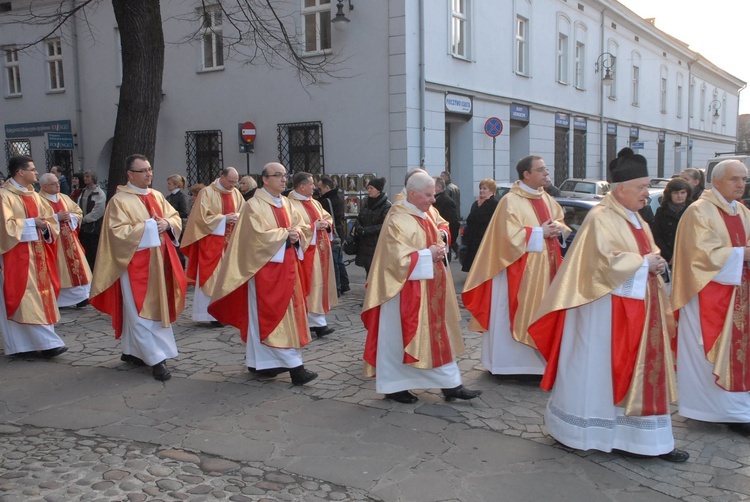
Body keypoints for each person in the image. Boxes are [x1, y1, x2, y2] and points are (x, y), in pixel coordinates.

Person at [527, 152, 688, 463]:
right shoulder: (600, 218)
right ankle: (588, 432)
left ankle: (648, 440)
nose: (646, 192)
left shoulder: (636, 218)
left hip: (640, 311)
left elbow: (643, 251)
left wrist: (651, 261)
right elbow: (599, 266)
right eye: (641, 187)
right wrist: (644, 264)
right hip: (601, 315)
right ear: (619, 189)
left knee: (642, 372)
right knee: (598, 372)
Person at [361, 171, 481, 403]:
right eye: (429, 195)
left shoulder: (426, 211)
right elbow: (395, 261)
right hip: (401, 293)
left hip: (431, 289)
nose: (433, 200)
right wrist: (428, 254)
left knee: (438, 335)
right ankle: (395, 386)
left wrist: (442, 241)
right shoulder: (397, 218)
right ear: (413, 194)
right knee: (398, 339)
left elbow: (441, 227)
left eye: (434, 194)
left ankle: (451, 384)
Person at [207, 162, 318, 386]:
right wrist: (284, 236)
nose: (283, 179)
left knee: (281, 316)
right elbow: (254, 238)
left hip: (287, 267)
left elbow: (302, 226)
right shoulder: (253, 206)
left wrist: (296, 233)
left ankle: (262, 363)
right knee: (269, 316)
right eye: (278, 176)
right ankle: (296, 368)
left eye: (285, 175)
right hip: (264, 270)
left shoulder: (286, 203)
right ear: (265, 180)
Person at [463, 156, 569, 377]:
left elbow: (559, 220)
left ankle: (540, 365)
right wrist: (540, 232)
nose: (546, 173)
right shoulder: (510, 201)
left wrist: (558, 228)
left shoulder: (547, 199)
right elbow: (506, 237)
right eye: (541, 170)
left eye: (546, 169)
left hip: (546, 268)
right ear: (526, 174)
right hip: (516, 270)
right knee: (509, 313)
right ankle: (509, 366)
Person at [89, 154, 186, 382]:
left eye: (150, 169)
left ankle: (133, 351)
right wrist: (151, 226)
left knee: (157, 308)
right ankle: (156, 360)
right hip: (134, 263)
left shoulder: (157, 195)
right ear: (130, 174)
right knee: (139, 312)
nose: (149, 174)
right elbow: (116, 233)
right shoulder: (119, 201)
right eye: (143, 171)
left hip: (159, 261)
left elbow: (174, 218)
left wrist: (168, 223)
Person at [670, 159, 750, 435]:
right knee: (710, 353)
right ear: (715, 182)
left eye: (743, 179)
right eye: (735, 179)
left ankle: (737, 408)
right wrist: (741, 255)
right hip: (706, 295)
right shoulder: (698, 212)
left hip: (738, 294)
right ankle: (716, 410)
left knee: (739, 351)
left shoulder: (741, 210)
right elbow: (699, 256)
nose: (741, 184)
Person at [0, 156, 66, 359]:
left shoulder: (36, 196)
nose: (36, 173)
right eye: (33, 169)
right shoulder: (4, 196)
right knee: (25, 297)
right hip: (16, 257)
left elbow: (48, 221)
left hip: (38, 255)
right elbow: (5, 227)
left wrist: (44, 225)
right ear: (21, 172)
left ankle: (26, 345)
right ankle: (47, 344)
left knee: (41, 297)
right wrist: (32, 223)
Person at [181, 167, 243, 326]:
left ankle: (226, 312)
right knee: (211, 278)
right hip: (212, 243)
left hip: (230, 242)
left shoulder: (236, 193)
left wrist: (238, 217)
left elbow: (245, 212)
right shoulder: (207, 193)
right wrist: (223, 219)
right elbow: (200, 219)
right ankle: (208, 315)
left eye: (235, 183)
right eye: (230, 182)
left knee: (228, 277)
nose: (232, 186)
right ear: (221, 177)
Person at [287, 172, 338, 337]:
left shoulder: (314, 202)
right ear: (302, 186)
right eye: (311, 184)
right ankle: (314, 322)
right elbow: (295, 227)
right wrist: (313, 226)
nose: (314, 187)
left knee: (321, 284)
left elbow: (327, 217)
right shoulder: (291, 204)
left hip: (321, 249)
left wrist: (326, 223)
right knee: (312, 284)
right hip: (308, 251)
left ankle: (317, 321)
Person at [38, 173, 92, 308]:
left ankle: (82, 297)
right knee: (61, 271)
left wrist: (71, 217)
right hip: (54, 243)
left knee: (79, 269)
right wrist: (56, 217)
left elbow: (78, 212)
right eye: (53, 184)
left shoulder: (64, 198)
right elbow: (38, 219)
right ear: (44, 187)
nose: (58, 185)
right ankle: (60, 300)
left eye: (58, 182)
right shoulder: (38, 200)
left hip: (71, 239)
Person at [318, 175, 350, 296]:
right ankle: (344, 284)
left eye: (320, 189)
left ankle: (336, 288)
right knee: (339, 260)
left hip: (332, 233)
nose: (319, 192)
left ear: (326, 187)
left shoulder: (326, 201)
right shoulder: (338, 197)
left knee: (334, 262)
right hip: (339, 231)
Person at [354, 177, 391, 277]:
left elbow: (385, 225)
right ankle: (369, 291)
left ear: (378, 190)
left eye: (371, 188)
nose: (369, 190)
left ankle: (377, 292)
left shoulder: (386, 206)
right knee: (368, 271)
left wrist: (366, 231)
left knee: (377, 273)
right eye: (368, 188)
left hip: (377, 244)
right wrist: (358, 227)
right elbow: (359, 217)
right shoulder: (366, 204)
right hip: (365, 244)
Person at [650, 177, 692, 265]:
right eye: (676, 193)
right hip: (669, 258)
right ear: (670, 194)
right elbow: (657, 236)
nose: (679, 196)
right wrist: (669, 256)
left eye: (682, 192)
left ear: (687, 193)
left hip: (689, 257)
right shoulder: (661, 211)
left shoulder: (693, 210)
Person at [461, 179, 499, 272]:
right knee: (474, 267)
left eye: (484, 188)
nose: (481, 190)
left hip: (485, 240)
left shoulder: (494, 204)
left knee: (483, 268)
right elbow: (470, 219)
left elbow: (492, 222)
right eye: (480, 188)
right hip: (473, 240)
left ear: (491, 190)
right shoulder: (476, 203)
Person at [77, 170, 106, 270]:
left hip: (93, 228)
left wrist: (85, 219)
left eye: (88, 176)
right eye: (85, 177)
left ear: (93, 178)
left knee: (94, 251)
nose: (85, 179)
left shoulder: (99, 193)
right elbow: (78, 206)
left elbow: (98, 210)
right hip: (83, 228)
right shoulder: (83, 192)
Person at [432, 177, 459, 262]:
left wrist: (449, 241)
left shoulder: (446, 201)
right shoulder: (435, 199)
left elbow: (453, 223)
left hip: (442, 242)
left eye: (432, 185)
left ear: (438, 187)